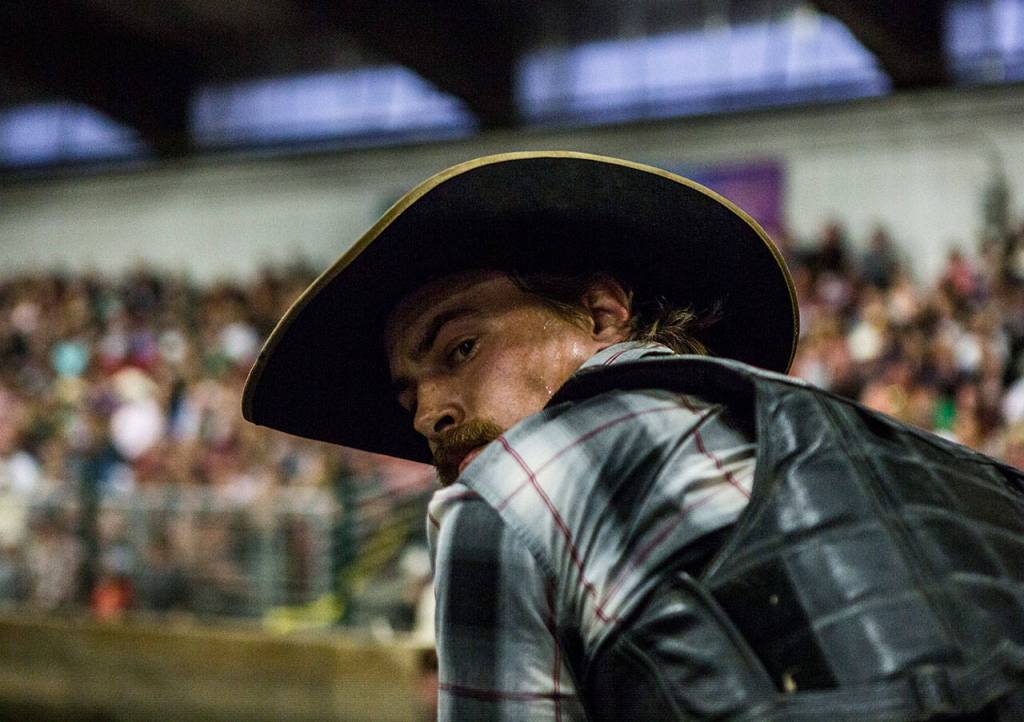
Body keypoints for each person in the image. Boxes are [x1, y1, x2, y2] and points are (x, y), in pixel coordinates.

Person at [243, 152, 1024, 721]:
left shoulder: (506, 495)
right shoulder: (957, 473)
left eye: (461, 349)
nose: (427, 415)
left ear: (601, 314)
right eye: (408, 393)